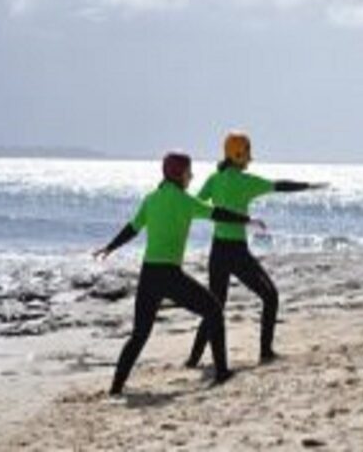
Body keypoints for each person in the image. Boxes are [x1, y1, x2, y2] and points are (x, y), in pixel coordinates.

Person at [93, 152, 266, 395]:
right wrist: (248, 220)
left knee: (139, 334)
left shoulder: (151, 199)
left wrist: (109, 247)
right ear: (178, 174)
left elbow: (132, 229)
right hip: (170, 275)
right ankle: (222, 372)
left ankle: (115, 388)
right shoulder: (185, 201)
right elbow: (218, 214)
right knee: (214, 310)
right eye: (188, 172)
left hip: (148, 275)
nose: (191, 176)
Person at [186, 132, 327, 368]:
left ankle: (193, 360)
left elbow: (194, 206)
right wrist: (308, 186)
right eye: (247, 154)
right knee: (270, 296)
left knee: (214, 306)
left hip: (217, 251)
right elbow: (279, 186)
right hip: (237, 252)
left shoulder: (214, 178)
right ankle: (266, 352)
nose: (250, 159)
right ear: (238, 154)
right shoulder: (247, 181)